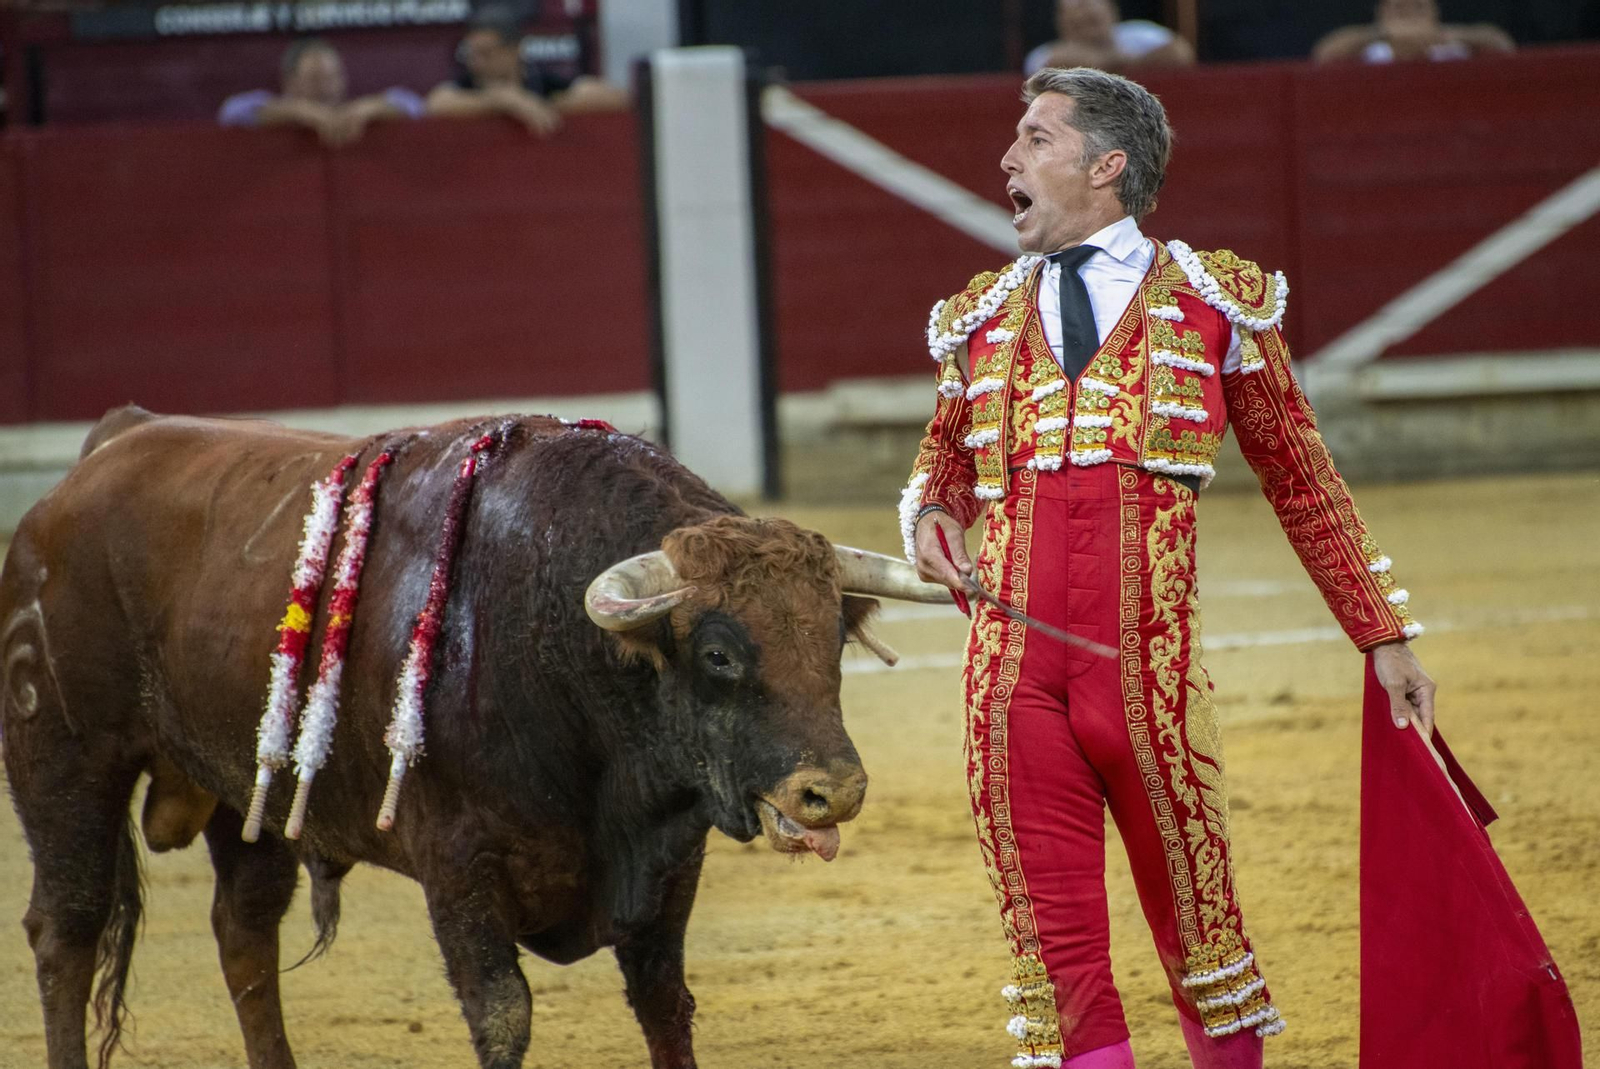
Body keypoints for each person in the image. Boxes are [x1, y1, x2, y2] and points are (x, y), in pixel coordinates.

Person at [899, 67, 1434, 1069]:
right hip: (1009, 678)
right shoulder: (974, 319)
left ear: (1107, 166)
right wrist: (932, 514)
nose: (1006, 159)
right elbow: (943, 456)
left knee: (1202, 927)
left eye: (1034, 139)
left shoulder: (1214, 303)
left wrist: (1382, 631)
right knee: (1054, 945)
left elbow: (1302, 481)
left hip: (1146, 672)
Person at [426, 5, 628, 136]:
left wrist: (539, 105)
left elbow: (615, 97)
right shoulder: (468, 83)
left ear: (515, 50)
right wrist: (501, 100)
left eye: (486, 54)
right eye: (471, 54)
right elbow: (436, 104)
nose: (476, 63)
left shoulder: (542, 81)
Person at [219, 38, 425, 146]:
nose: (326, 88)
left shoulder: (353, 111)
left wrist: (369, 109)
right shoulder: (274, 110)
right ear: (290, 83)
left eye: (332, 77)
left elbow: (414, 105)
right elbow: (231, 112)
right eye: (315, 79)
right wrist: (301, 112)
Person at [1024, 0, 1194, 76]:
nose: (1087, 25)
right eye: (1079, 21)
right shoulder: (1043, 53)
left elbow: (1181, 53)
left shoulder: (1138, 32)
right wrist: (1128, 63)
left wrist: (1112, 63)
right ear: (1061, 23)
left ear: (1112, 12)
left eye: (1093, 19)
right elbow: (1050, 66)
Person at [1313, 0, 1514, 63]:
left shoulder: (1457, 45)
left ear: (1434, 12)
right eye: (1399, 8)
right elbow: (1324, 54)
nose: (1408, 14)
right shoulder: (1369, 49)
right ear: (1382, 14)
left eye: (1418, 6)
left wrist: (1444, 34)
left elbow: (1504, 46)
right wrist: (1380, 34)